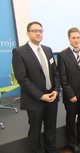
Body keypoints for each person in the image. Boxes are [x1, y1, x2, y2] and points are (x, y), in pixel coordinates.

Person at [12, 21, 60, 153]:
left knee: (51, 128)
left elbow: (55, 73)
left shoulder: (48, 50)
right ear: (28, 33)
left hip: (52, 97)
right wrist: (40, 95)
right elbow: (22, 78)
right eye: (34, 30)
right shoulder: (19, 52)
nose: (38, 33)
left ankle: (51, 150)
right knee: (35, 131)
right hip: (35, 100)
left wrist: (56, 90)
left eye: (40, 30)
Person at [58, 27, 80, 153]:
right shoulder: (62, 55)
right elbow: (63, 78)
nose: (76, 40)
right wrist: (70, 94)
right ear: (69, 39)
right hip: (71, 94)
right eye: (73, 38)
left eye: (78, 37)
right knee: (71, 119)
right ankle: (72, 143)